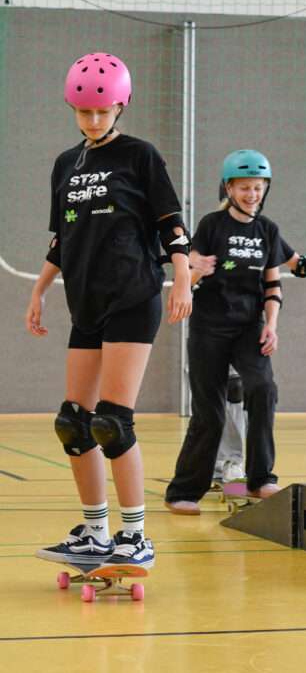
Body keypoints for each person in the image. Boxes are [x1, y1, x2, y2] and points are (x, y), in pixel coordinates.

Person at [28, 53, 191, 569]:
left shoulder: (140, 156)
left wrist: (182, 275)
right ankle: (95, 534)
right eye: (84, 112)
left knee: (112, 424)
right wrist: (40, 290)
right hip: (87, 303)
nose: (93, 120)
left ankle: (135, 537)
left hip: (131, 296)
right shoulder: (65, 164)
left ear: (121, 106)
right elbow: (64, 237)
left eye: (103, 111)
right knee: (74, 423)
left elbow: (170, 224)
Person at [164, 150, 306, 513]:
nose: (252, 194)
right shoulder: (211, 225)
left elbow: (289, 273)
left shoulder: (267, 230)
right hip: (209, 328)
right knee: (211, 412)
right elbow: (189, 274)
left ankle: (260, 478)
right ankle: (183, 491)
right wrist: (195, 268)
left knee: (263, 389)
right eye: (245, 187)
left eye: (258, 187)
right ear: (230, 188)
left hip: (249, 327)